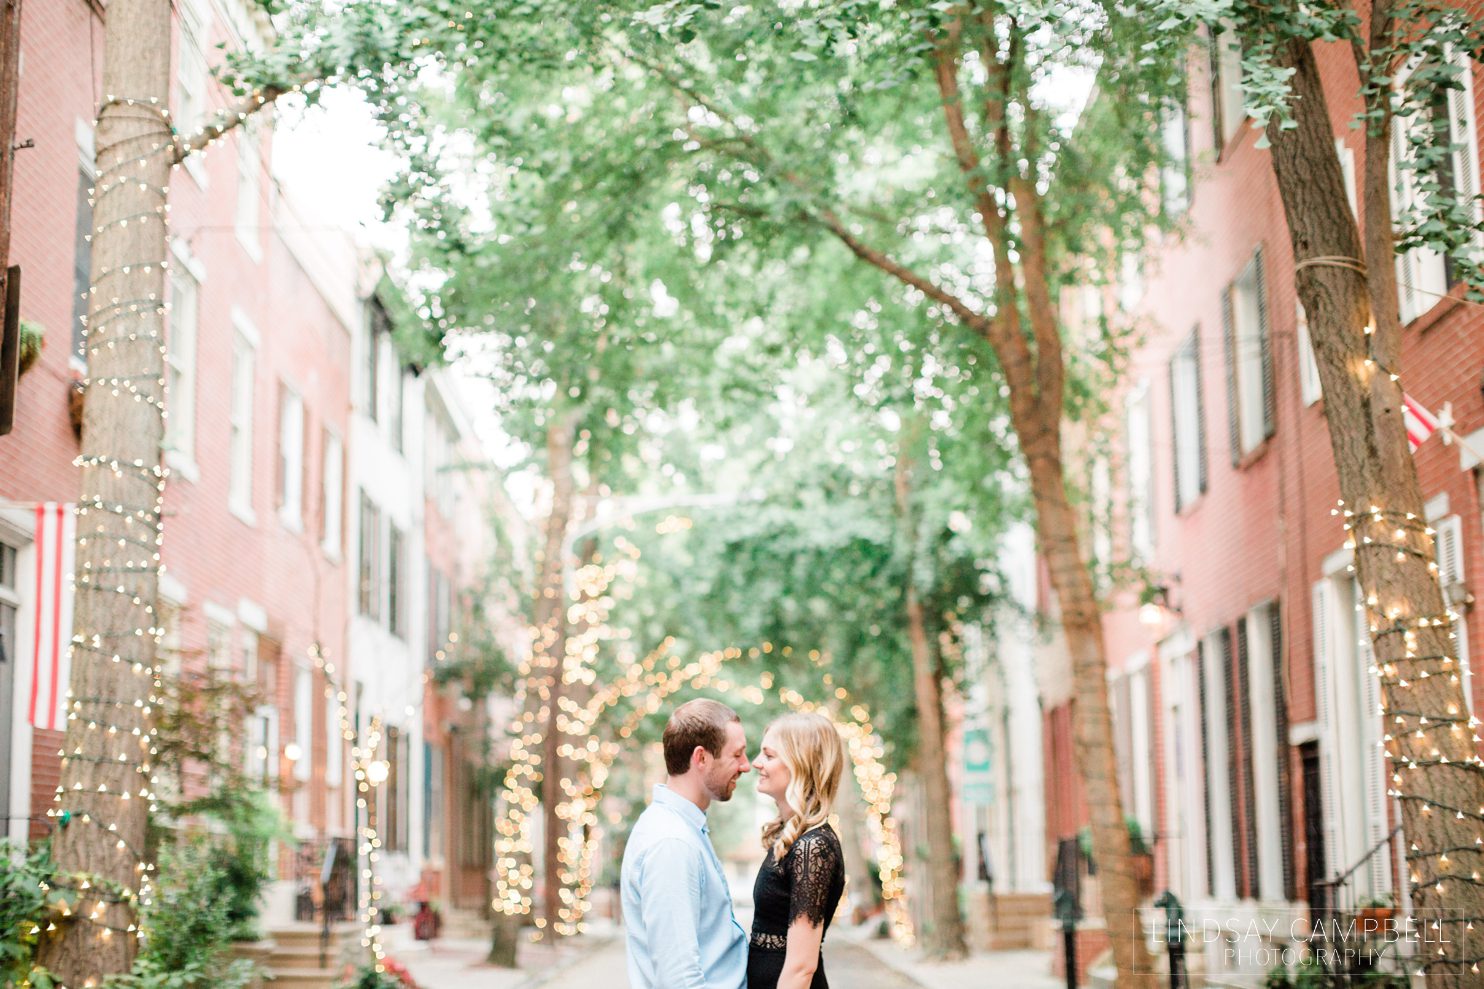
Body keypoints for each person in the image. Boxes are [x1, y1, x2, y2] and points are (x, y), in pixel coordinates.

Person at [621, 698, 752, 989]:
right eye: (737, 755)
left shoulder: (683, 830)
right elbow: (678, 979)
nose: (746, 766)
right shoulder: (671, 842)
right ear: (701, 758)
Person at [747, 711, 847, 989]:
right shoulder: (792, 840)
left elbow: (802, 967)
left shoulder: (814, 846)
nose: (756, 763)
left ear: (799, 764)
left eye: (768, 755)